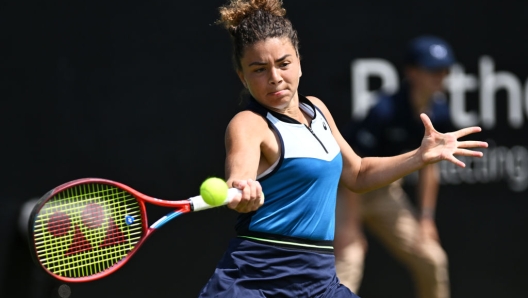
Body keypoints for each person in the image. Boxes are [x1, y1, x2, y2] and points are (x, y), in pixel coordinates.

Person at [199, 1, 487, 296]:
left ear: (299, 60)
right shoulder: (248, 123)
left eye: (284, 63)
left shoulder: (318, 110)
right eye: (259, 69)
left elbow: (358, 174)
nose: (274, 77)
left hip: (319, 283)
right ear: (241, 76)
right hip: (257, 281)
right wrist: (242, 189)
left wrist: (419, 156)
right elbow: (239, 174)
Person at [334, 35, 458, 298]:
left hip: (385, 192)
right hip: (347, 191)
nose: (440, 76)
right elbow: (353, 171)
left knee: (432, 259)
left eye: (444, 70)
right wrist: (350, 226)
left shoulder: (441, 111)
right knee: (349, 260)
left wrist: (425, 217)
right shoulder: (384, 111)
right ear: (412, 72)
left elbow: (430, 167)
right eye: (432, 69)